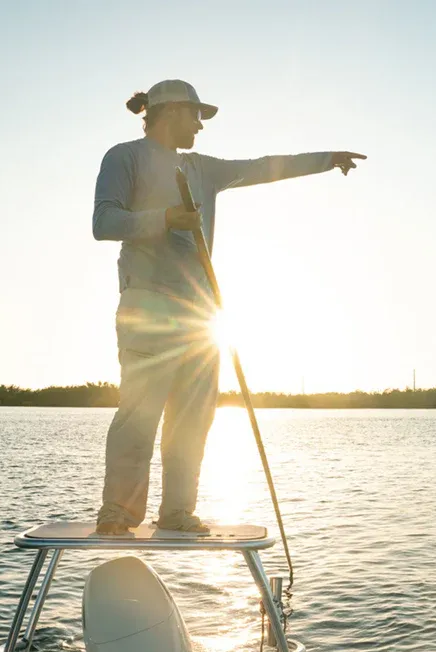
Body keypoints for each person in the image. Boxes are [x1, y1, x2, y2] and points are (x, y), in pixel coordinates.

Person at [92, 79, 365, 534]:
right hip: (147, 306)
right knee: (138, 414)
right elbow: (104, 222)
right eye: (195, 115)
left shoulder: (204, 169)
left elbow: (263, 168)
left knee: (195, 417)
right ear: (170, 112)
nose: (200, 125)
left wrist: (327, 159)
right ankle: (118, 513)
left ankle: (177, 512)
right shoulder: (124, 157)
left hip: (199, 317)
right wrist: (164, 219)